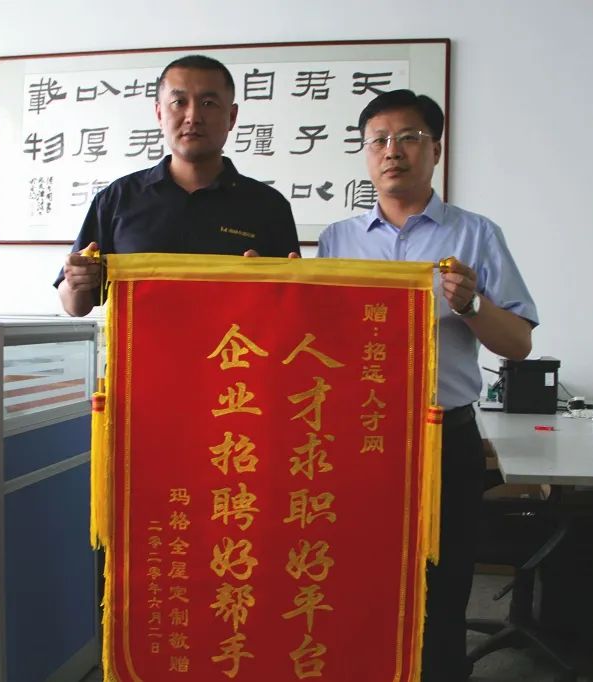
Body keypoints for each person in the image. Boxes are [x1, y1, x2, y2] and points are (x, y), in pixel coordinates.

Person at [317, 90, 538, 682]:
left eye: (409, 138)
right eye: (379, 140)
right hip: (356, 440)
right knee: (354, 580)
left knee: (443, 587)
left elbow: (518, 344)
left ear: (435, 150)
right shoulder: (337, 241)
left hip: (442, 438)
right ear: (366, 154)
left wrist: (471, 304)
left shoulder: (476, 235)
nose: (393, 151)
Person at [55, 54, 300, 316]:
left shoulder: (269, 206)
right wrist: (76, 280)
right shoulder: (118, 198)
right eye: (179, 102)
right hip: (138, 344)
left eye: (208, 103)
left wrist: (278, 288)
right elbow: (76, 307)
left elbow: (292, 311)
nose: (193, 116)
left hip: (235, 343)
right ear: (159, 113)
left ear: (231, 116)